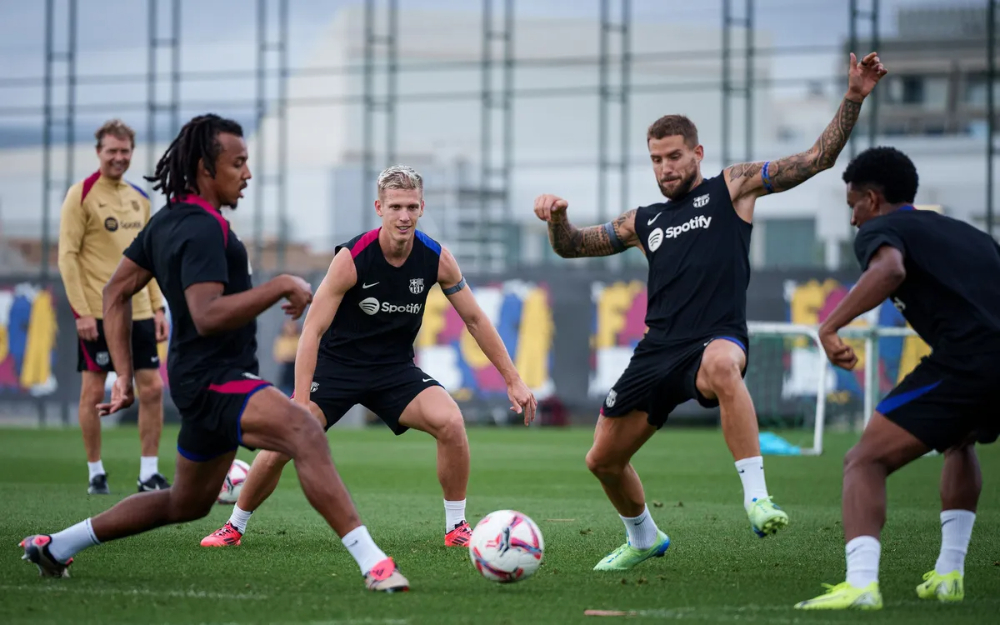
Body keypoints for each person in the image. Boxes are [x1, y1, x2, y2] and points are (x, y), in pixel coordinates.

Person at [20, 114, 409, 593]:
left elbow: (115, 292)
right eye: (238, 163)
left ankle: (55, 546)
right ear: (206, 168)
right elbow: (206, 315)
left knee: (185, 503)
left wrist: (123, 373)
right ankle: (375, 564)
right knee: (304, 430)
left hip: (196, 376)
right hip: (214, 376)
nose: (247, 173)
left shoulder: (166, 221)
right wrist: (281, 285)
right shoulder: (202, 228)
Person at [532, 52, 887, 571]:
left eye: (674, 156)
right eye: (656, 159)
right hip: (657, 350)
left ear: (696, 152)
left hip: (716, 337)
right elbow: (572, 246)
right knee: (602, 460)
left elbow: (816, 159)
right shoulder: (644, 220)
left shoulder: (733, 187)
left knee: (723, 366)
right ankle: (644, 537)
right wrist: (556, 219)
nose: (665, 167)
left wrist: (853, 96)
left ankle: (757, 497)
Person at [200, 164, 537, 549]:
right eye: (395, 206)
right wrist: (302, 400)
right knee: (286, 438)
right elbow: (312, 330)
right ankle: (234, 525)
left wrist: (512, 378)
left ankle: (456, 528)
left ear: (422, 208)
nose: (404, 216)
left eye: (411, 206)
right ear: (379, 207)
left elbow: (476, 319)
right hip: (337, 367)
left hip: (394, 370)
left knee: (451, 422)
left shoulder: (437, 258)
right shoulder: (352, 258)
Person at [795, 147, 998, 610]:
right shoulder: (971, 235)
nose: (852, 221)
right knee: (959, 441)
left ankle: (862, 584)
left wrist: (829, 326)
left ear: (871, 199)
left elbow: (889, 269)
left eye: (852, 207)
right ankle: (949, 574)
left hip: (968, 360)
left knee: (863, 461)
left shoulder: (882, 229)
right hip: (988, 361)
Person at [57, 119, 170, 494]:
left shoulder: (140, 197)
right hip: (99, 313)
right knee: (94, 390)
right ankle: (95, 473)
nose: (119, 157)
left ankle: (148, 473)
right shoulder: (82, 194)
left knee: (151, 388)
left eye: (125, 151)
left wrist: (156, 307)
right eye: (112, 151)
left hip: (139, 311)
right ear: (98, 152)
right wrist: (81, 312)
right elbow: (68, 257)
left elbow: (149, 258)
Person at [273, 320, 300, 396]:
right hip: (286, 369)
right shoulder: (281, 340)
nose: (291, 329)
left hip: (297, 369)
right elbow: (279, 356)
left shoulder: (299, 339)